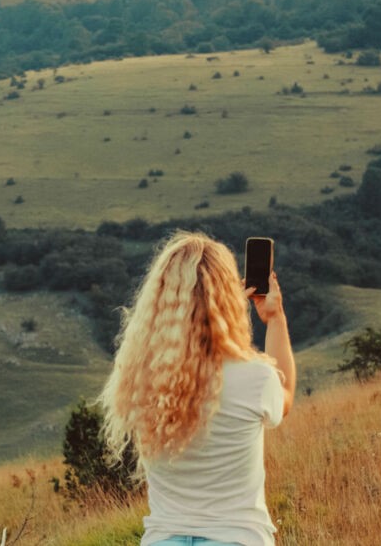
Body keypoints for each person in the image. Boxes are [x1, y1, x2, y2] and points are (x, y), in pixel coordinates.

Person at [98, 231, 296, 546]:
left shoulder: (141, 380)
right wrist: (275, 318)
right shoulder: (255, 378)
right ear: (228, 298)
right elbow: (285, 395)